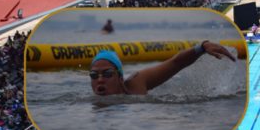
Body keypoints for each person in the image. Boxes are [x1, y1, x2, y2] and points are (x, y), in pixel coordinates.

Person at [89, 42, 236, 96]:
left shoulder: (136, 83)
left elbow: (175, 63)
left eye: (107, 74)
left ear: (120, 77)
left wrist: (202, 47)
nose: (100, 80)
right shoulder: (92, 106)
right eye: (94, 75)